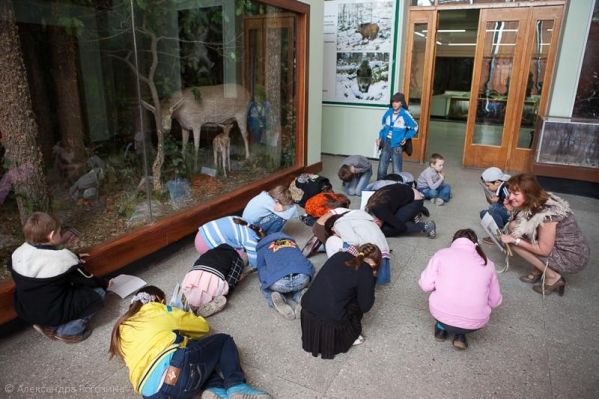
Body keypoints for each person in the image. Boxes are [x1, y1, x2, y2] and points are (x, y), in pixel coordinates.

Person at [109, 286, 271, 399]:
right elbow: (202, 327)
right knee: (222, 341)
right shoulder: (156, 309)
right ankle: (236, 387)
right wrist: (182, 313)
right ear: (158, 300)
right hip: (175, 372)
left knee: (198, 357)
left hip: (153, 394)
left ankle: (215, 390)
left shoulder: (121, 328)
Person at [9, 212, 107, 343]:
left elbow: (41, 261)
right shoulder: (62, 258)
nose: (61, 235)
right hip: (52, 311)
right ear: (51, 235)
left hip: (26, 309)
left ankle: (45, 325)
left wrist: (74, 258)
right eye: (59, 233)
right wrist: (105, 284)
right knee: (98, 293)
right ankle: (69, 331)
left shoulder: (18, 253)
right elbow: (86, 279)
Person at [499, 174, 590, 296]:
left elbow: (544, 250)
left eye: (515, 194)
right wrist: (511, 209)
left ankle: (553, 277)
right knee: (513, 226)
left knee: (514, 243)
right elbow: (525, 220)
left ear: (529, 194)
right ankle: (538, 269)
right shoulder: (539, 199)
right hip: (562, 246)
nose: (510, 197)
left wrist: (515, 240)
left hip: (572, 256)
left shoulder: (548, 214)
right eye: (510, 193)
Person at [419, 229, 502, 350]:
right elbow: (495, 301)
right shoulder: (488, 263)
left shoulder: (441, 254)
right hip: (475, 322)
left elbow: (425, 285)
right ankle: (460, 336)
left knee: (445, 303)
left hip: (441, 314)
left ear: (453, 241)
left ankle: (441, 330)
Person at [301, 244, 381, 359]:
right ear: (374, 263)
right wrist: (371, 278)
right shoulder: (366, 270)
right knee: (356, 304)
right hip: (331, 323)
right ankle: (349, 336)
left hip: (308, 309)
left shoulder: (339, 255)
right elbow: (365, 306)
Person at [256, 232, 315, 320]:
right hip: (302, 278)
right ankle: (301, 297)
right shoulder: (291, 242)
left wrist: (266, 280)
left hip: (279, 283)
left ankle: (273, 298)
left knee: (263, 281)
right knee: (299, 268)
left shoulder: (262, 247)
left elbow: (260, 268)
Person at [181, 244, 247, 317]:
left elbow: (196, 264)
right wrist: (228, 290)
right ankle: (211, 302)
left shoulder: (208, 252)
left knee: (192, 292)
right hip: (213, 279)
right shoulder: (235, 256)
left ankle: (186, 303)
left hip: (193, 277)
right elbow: (234, 276)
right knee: (215, 290)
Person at [365, 183, 436, 238]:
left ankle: (427, 226)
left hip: (414, 201)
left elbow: (401, 227)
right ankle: (417, 210)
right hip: (408, 194)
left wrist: (382, 229)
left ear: (377, 220)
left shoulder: (382, 212)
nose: (378, 227)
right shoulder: (369, 204)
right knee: (391, 220)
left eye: (377, 225)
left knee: (386, 230)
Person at [195, 216, 265, 268]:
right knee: (239, 257)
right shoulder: (251, 240)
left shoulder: (245, 221)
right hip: (207, 245)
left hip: (202, 232)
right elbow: (254, 261)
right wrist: (252, 266)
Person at [376, 92, 418, 179]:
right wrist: (380, 138)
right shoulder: (388, 112)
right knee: (381, 168)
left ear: (401, 103)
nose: (395, 104)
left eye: (397, 102)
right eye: (393, 102)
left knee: (397, 170)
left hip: (397, 145)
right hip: (386, 143)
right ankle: (380, 187)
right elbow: (384, 128)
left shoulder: (405, 114)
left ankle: (395, 188)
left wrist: (406, 137)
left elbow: (415, 127)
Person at [479, 166, 511, 233]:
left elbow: (511, 205)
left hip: (511, 215)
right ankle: (496, 225)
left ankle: (499, 232)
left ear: (497, 182)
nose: (487, 188)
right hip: (505, 210)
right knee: (483, 213)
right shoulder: (501, 186)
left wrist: (498, 201)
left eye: (488, 185)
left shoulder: (505, 189)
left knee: (493, 209)